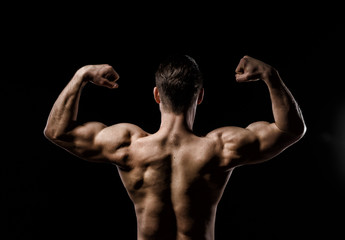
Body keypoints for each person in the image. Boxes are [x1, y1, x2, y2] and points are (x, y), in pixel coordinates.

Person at [44, 55, 306, 240]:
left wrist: (82, 76)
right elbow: (291, 129)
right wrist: (270, 76)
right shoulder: (220, 148)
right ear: (200, 95)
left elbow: (57, 131)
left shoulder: (128, 146)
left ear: (157, 95)